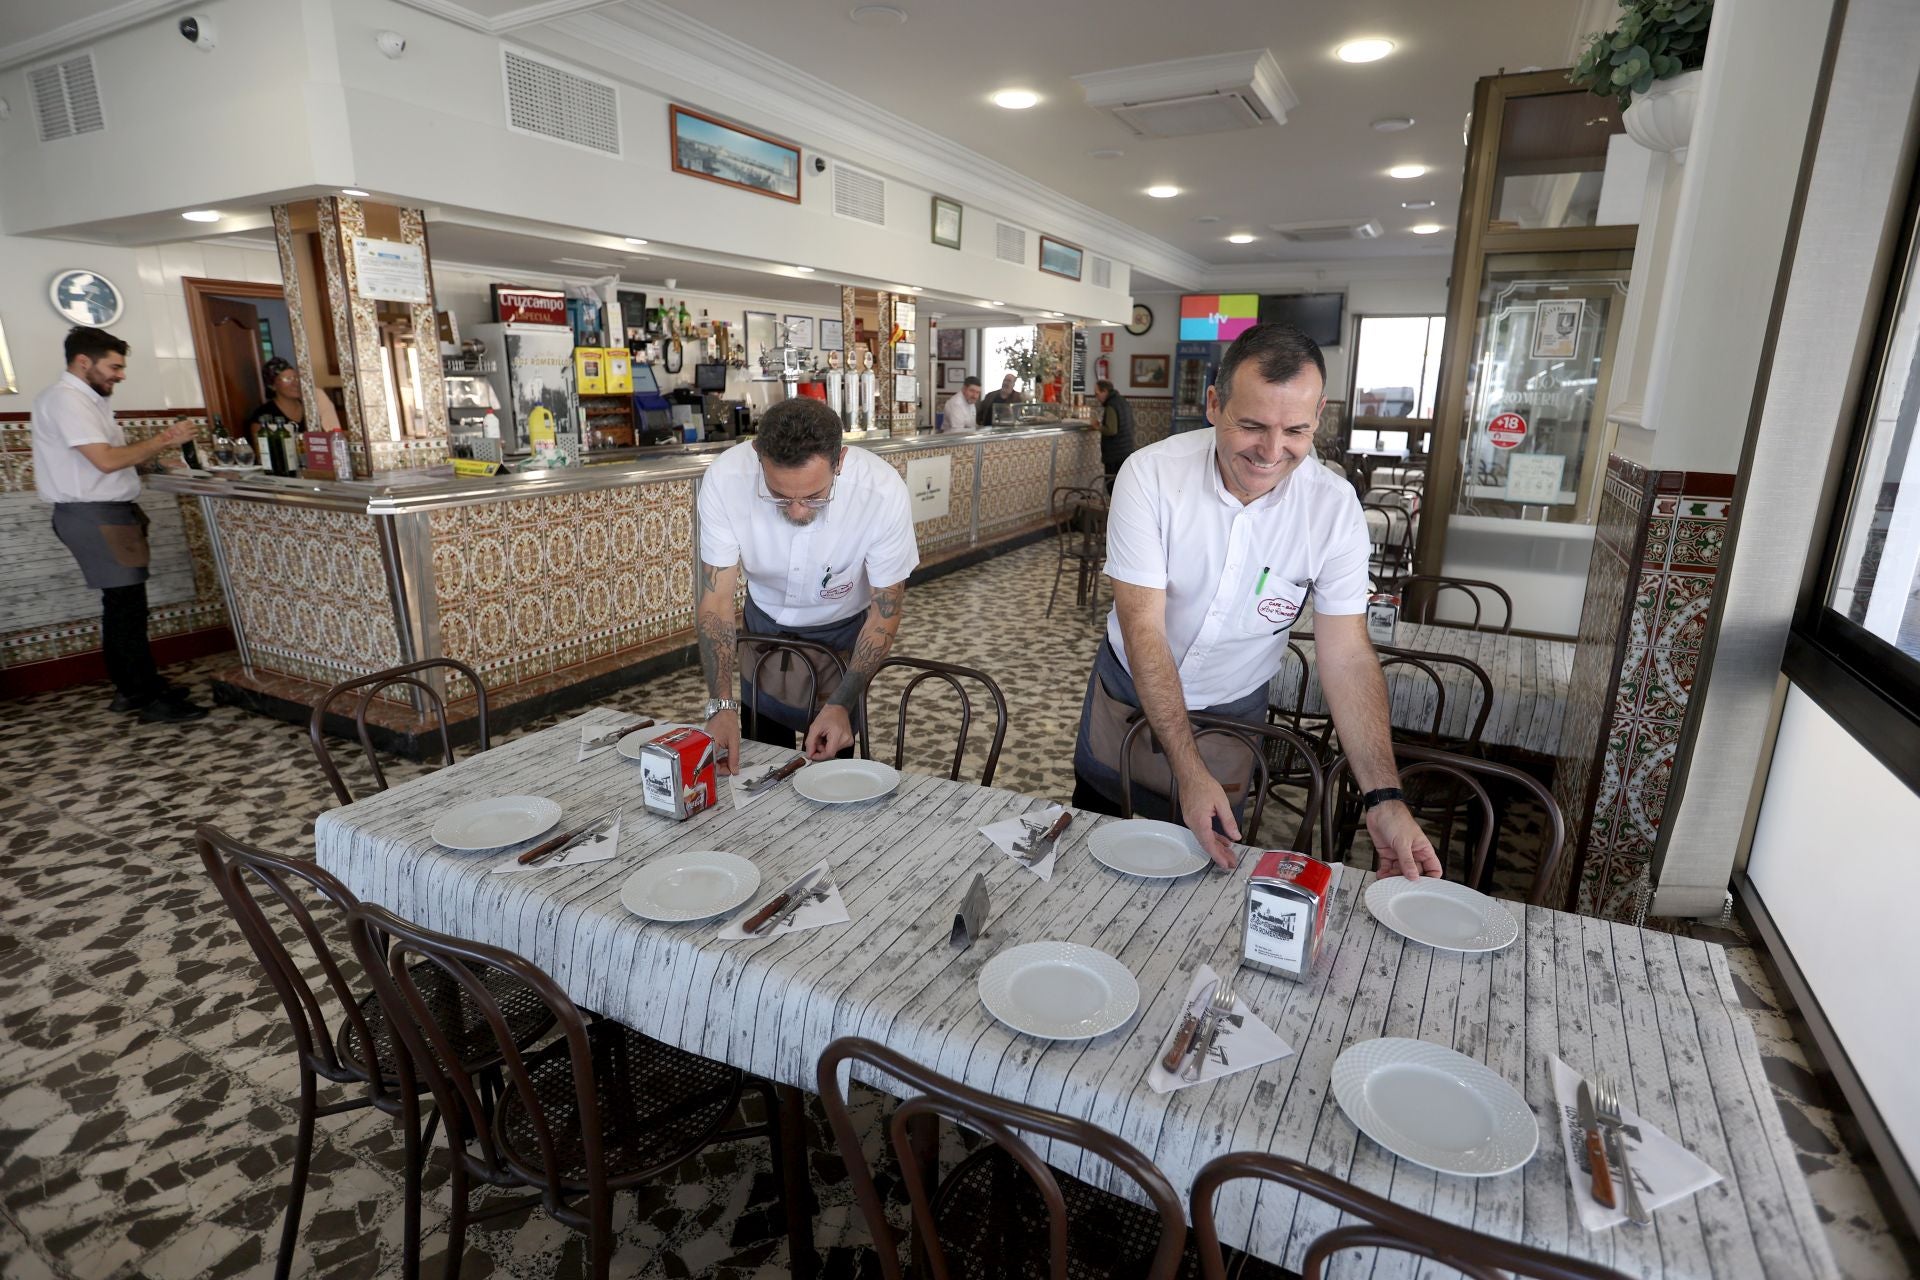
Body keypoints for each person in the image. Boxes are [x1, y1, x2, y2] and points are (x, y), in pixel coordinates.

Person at [1069, 322, 1440, 881]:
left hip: (1231, 711)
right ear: (1214, 404)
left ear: (1318, 419)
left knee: (1205, 874)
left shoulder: (1333, 508)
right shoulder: (1151, 476)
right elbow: (1144, 626)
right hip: (1129, 695)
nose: (1271, 451)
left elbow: (1346, 656)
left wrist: (1383, 797)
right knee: (1096, 853)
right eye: (1252, 426)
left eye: (1295, 430)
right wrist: (1186, 770)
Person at [694, 396, 918, 773]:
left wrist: (841, 705)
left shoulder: (881, 491)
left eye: (814, 497)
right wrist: (720, 706)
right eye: (780, 495)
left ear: (840, 461)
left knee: (831, 761)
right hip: (762, 630)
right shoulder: (725, 479)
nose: (797, 511)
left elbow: (884, 613)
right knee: (756, 760)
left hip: (843, 633)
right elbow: (715, 602)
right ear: (757, 456)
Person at [31, 326, 208, 722]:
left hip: (107, 512)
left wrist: (154, 462)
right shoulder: (66, 400)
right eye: (114, 366)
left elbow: (113, 457)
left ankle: (135, 688)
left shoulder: (89, 400)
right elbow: (106, 461)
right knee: (125, 608)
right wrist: (165, 439)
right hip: (94, 515)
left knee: (128, 607)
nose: (120, 375)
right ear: (83, 361)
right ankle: (142, 695)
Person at [243, 356, 341, 446]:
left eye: (296, 378)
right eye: (287, 379)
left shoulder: (310, 407)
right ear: (272, 385)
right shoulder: (263, 415)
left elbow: (325, 440)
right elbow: (262, 453)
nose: (295, 383)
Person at [1093, 378, 1136, 484]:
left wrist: (1097, 427)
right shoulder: (1122, 401)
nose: (1096, 397)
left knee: (1111, 484)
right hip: (1126, 449)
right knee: (1122, 484)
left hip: (1114, 454)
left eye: (1097, 394)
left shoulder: (1111, 405)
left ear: (1105, 391)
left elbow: (1112, 430)